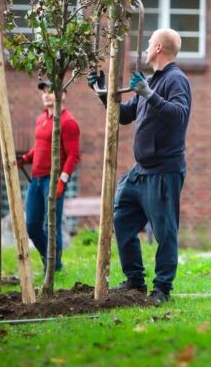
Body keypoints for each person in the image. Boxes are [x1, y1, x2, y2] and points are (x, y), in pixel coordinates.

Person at [88, 28, 192, 305]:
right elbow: (124, 116)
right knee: (121, 220)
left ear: (159, 47)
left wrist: (149, 95)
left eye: (148, 44)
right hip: (140, 171)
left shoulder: (176, 80)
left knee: (164, 232)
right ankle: (135, 281)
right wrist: (100, 91)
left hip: (164, 171)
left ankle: (162, 289)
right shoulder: (150, 80)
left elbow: (178, 115)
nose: (145, 49)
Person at [17, 80, 80, 274]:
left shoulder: (68, 122)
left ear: (63, 95)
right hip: (35, 180)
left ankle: (53, 268)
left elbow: (73, 155)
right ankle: (51, 261)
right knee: (32, 225)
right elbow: (41, 146)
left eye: (50, 91)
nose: (46, 94)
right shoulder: (41, 119)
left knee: (52, 226)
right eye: (44, 91)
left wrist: (62, 180)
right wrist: (26, 157)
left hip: (52, 181)